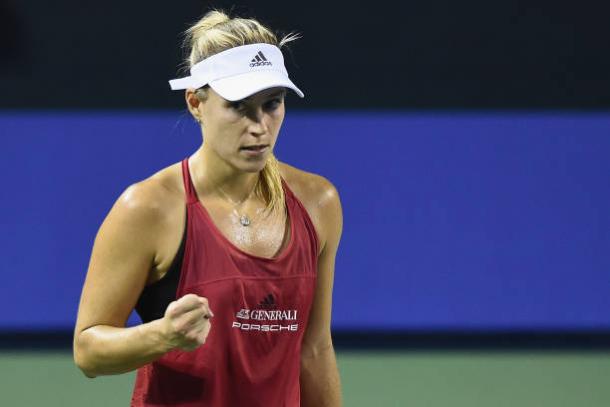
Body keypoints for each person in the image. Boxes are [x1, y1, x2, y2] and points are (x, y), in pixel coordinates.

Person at [73, 9, 343, 407]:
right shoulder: (147, 208)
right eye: (238, 106)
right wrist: (162, 336)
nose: (259, 126)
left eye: (272, 103)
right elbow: (88, 351)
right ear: (196, 103)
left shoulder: (318, 203)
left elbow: (315, 349)